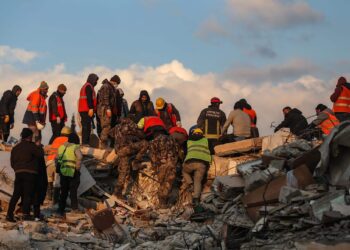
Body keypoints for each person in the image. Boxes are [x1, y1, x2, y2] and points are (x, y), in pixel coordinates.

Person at [6, 128, 43, 222]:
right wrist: (39, 146)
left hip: (18, 173)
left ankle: (9, 214)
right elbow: (40, 155)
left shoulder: (15, 148)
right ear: (29, 136)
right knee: (28, 194)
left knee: (16, 194)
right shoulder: (32, 146)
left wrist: (17, 169)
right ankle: (26, 215)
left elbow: (12, 163)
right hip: (30, 174)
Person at [109, 118, 148, 198]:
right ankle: (136, 162)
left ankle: (117, 192)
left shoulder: (117, 126)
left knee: (123, 171)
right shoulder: (131, 125)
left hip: (119, 151)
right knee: (145, 143)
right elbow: (141, 135)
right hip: (127, 148)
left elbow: (110, 133)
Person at [182, 128, 211, 206]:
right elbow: (210, 150)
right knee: (198, 181)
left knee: (184, 171)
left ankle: (190, 183)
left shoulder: (189, 141)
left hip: (190, 162)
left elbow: (185, 152)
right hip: (202, 163)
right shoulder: (206, 140)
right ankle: (196, 199)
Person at [148, 133, 179, 208]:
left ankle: (162, 203)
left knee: (162, 183)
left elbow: (152, 156)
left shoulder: (153, 142)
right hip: (170, 163)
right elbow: (177, 152)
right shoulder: (171, 140)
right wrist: (174, 162)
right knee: (167, 183)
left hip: (160, 165)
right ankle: (163, 203)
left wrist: (155, 166)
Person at [57, 132, 82, 215]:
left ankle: (60, 209)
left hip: (63, 172)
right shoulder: (75, 147)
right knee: (73, 192)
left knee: (63, 191)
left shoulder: (61, 147)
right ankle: (74, 209)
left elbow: (58, 159)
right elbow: (80, 157)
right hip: (72, 172)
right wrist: (78, 167)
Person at [46, 126, 72, 203]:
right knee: (57, 182)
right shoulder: (68, 140)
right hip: (58, 162)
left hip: (49, 162)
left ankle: (49, 195)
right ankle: (56, 200)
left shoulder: (56, 139)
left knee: (49, 178)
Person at [78, 73, 98, 145]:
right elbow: (89, 98)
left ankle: (85, 142)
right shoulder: (88, 86)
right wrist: (91, 108)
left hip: (84, 109)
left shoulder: (86, 86)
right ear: (92, 79)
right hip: (86, 109)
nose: (96, 82)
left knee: (86, 126)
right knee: (86, 127)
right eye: (95, 80)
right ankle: (85, 142)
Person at [97, 79, 117, 148]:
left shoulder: (109, 87)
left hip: (104, 108)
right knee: (106, 126)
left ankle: (103, 143)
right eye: (116, 83)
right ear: (114, 81)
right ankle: (102, 143)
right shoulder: (106, 86)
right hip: (104, 109)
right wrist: (108, 109)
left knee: (106, 126)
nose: (116, 85)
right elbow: (106, 98)